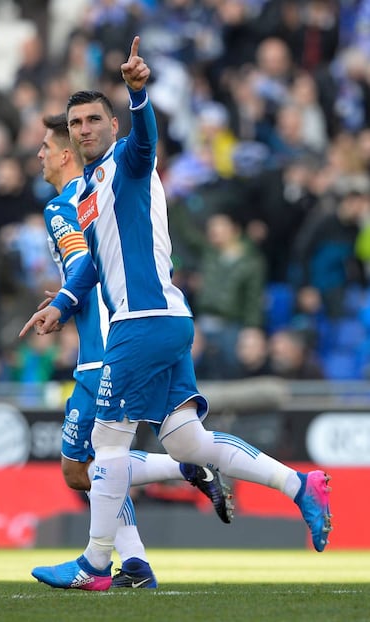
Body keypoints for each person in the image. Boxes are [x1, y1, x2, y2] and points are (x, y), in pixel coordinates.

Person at [20, 36, 333, 592]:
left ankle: (97, 563)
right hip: (164, 321)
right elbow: (93, 263)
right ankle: (300, 486)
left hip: (139, 324)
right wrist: (63, 306)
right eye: (77, 123)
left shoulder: (126, 161)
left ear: (111, 126)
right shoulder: (90, 188)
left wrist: (139, 97)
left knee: (108, 446)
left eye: (95, 119)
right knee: (188, 444)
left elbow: (145, 144)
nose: (85, 129)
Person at [32, 111, 233, 589]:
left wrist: (65, 298)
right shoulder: (95, 193)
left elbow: (87, 264)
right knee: (90, 463)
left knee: (86, 464)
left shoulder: (64, 207)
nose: (38, 154)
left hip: (105, 346)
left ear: (64, 154)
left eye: (45, 146)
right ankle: (136, 562)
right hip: (120, 334)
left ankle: (112, 556)